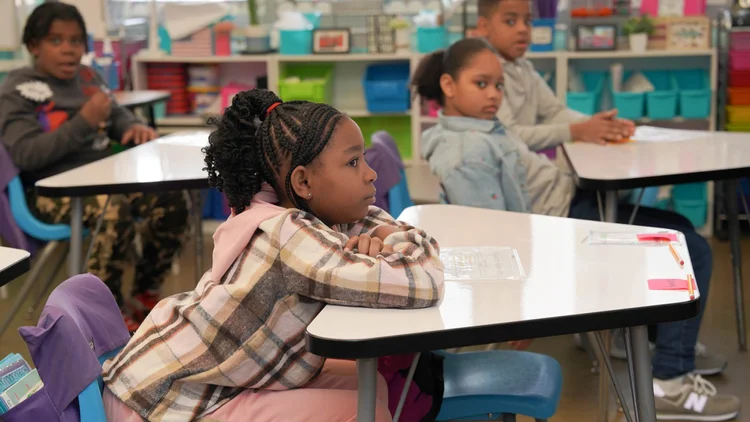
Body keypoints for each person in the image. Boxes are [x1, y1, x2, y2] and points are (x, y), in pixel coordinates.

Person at [410, 38, 740, 421]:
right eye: (481, 84)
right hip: (562, 229)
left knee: (680, 229)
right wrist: (520, 308)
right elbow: (496, 239)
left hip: (563, 210)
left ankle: (661, 341)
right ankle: (669, 380)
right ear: (448, 86)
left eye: (498, 86)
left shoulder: (483, 127)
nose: (494, 95)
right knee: (690, 250)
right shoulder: (468, 151)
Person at [101, 89, 445, 421]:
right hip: (162, 401)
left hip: (186, 381)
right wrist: (394, 238)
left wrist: (384, 235)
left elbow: (371, 222)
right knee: (366, 411)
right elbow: (423, 281)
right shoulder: (289, 236)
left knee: (370, 386)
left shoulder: (296, 208)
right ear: (303, 183)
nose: (371, 174)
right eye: (353, 162)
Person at [0, 2, 189, 332]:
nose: (69, 50)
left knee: (170, 196)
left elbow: (115, 114)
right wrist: (84, 121)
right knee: (111, 210)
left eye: (75, 41)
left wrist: (131, 126)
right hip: (48, 192)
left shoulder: (89, 77)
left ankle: (146, 293)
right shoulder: (17, 90)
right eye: (55, 41)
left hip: (105, 181)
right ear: (33, 46)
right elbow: (27, 155)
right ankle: (107, 314)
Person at [476, 0, 635, 151]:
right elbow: (508, 136)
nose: (522, 29)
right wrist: (577, 130)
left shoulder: (524, 67)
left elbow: (554, 112)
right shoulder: (483, 74)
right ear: (484, 26)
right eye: (510, 21)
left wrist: (599, 125)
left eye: (528, 21)